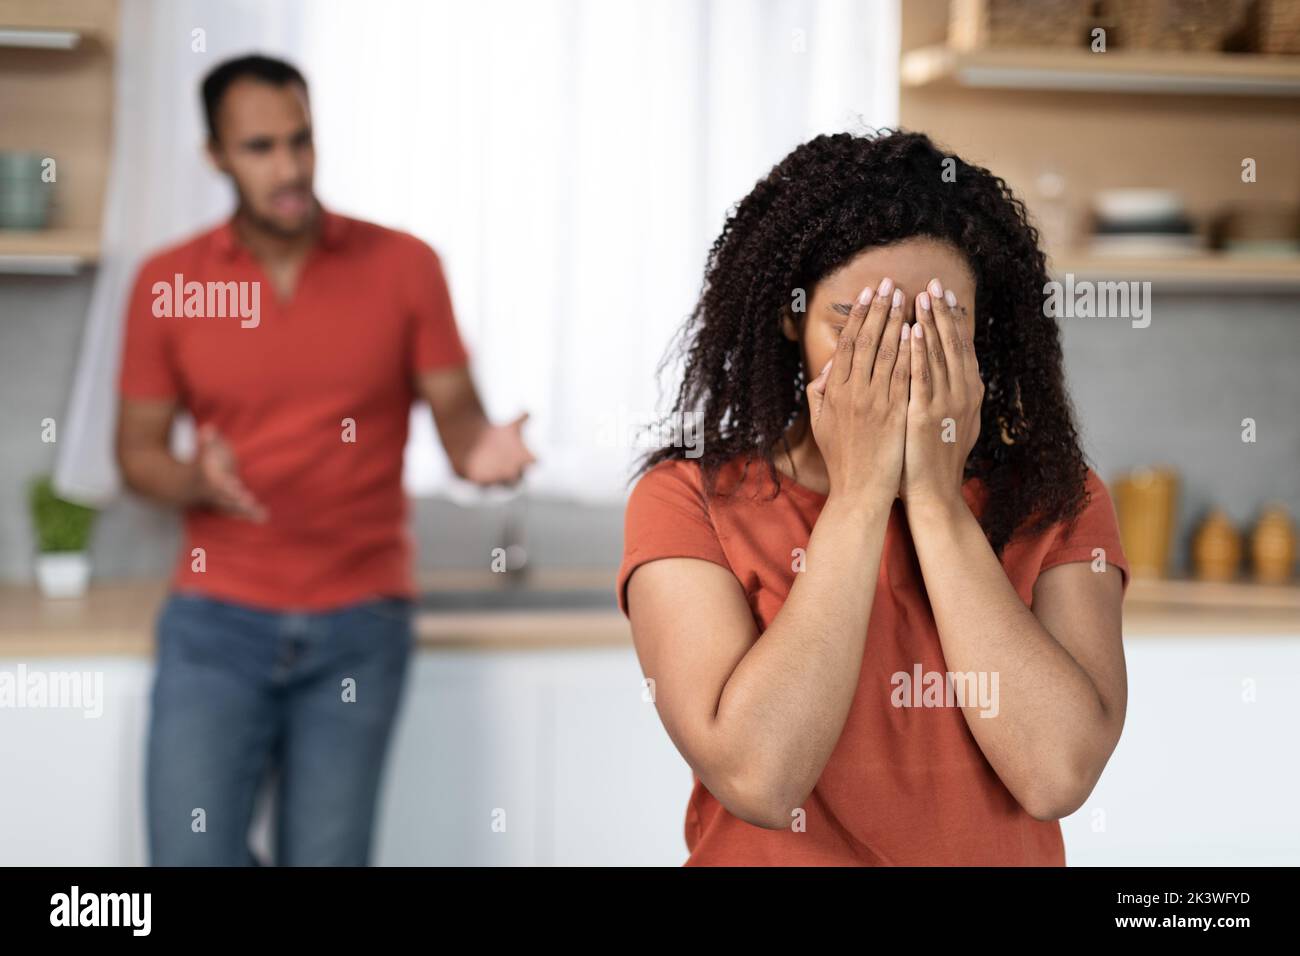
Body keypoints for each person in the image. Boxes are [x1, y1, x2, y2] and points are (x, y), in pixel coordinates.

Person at [617, 130, 1129, 866]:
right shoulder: (684, 501)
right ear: (792, 317)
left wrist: (935, 500)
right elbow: (760, 777)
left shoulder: (1059, 496)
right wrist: (859, 497)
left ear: (981, 327)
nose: (900, 357)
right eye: (858, 326)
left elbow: (1056, 773)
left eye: (936, 326)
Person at [116, 54, 534, 865]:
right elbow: (136, 454)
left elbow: (461, 427)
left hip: (359, 623)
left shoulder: (405, 267)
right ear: (215, 155)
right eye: (261, 147)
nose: (290, 167)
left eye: (302, 141)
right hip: (216, 621)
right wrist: (194, 479)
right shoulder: (168, 283)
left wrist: (489, 454)